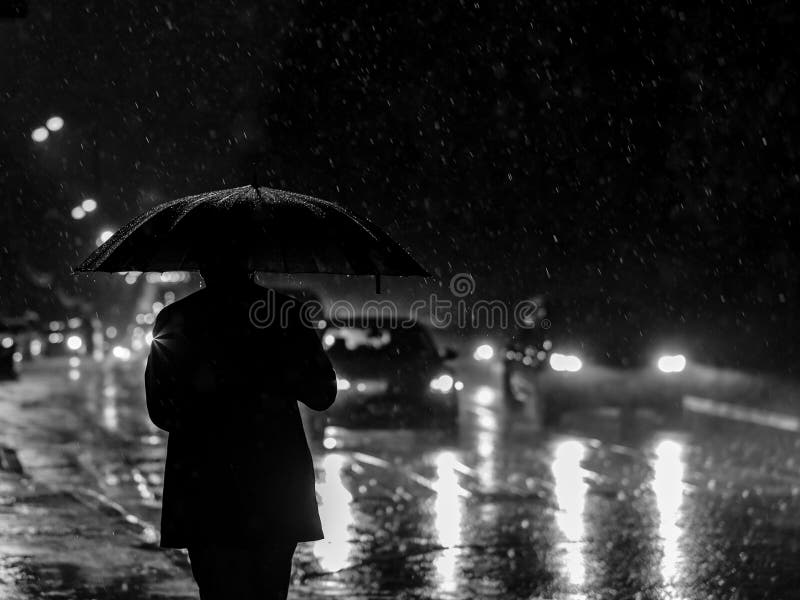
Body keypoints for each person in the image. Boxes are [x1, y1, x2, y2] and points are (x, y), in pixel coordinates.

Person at [144, 267, 336, 599]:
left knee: (218, 590)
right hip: (275, 483)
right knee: (269, 590)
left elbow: (161, 410)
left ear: (201, 263)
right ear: (252, 260)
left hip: (204, 484)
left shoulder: (176, 318)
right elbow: (322, 393)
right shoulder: (284, 314)